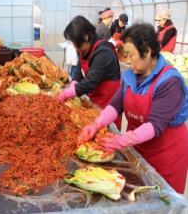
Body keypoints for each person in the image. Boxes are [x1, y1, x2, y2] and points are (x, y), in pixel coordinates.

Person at [78, 23, 188, 194]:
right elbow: (116, 105)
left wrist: (121, 141)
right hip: (138, 146)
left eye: (131, 55)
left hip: (165, 153)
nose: (128, 61)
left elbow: (155, 125)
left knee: (160, 199)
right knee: (136, 193)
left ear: (149, 52)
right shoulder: (131, 76)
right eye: (125, 55)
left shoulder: (170, 82)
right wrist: (96, 124)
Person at [58, 15, 120, 110]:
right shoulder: (85, 48)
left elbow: (91, 81)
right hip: (94, 96)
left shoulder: (104, 52)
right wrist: (74, 82)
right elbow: (79, 68)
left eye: (75, 43)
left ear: (86, 37)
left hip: (108, 103)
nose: (75, 47)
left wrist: (67, 93)